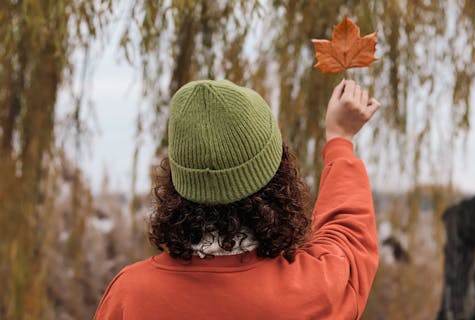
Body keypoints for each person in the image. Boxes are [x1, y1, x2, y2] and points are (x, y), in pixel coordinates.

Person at [94, 79, 381, 320]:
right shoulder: (315, 290)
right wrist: (340, 139)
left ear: (176, 187)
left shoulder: (130, 298)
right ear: (279, 181)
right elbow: (348, 234)